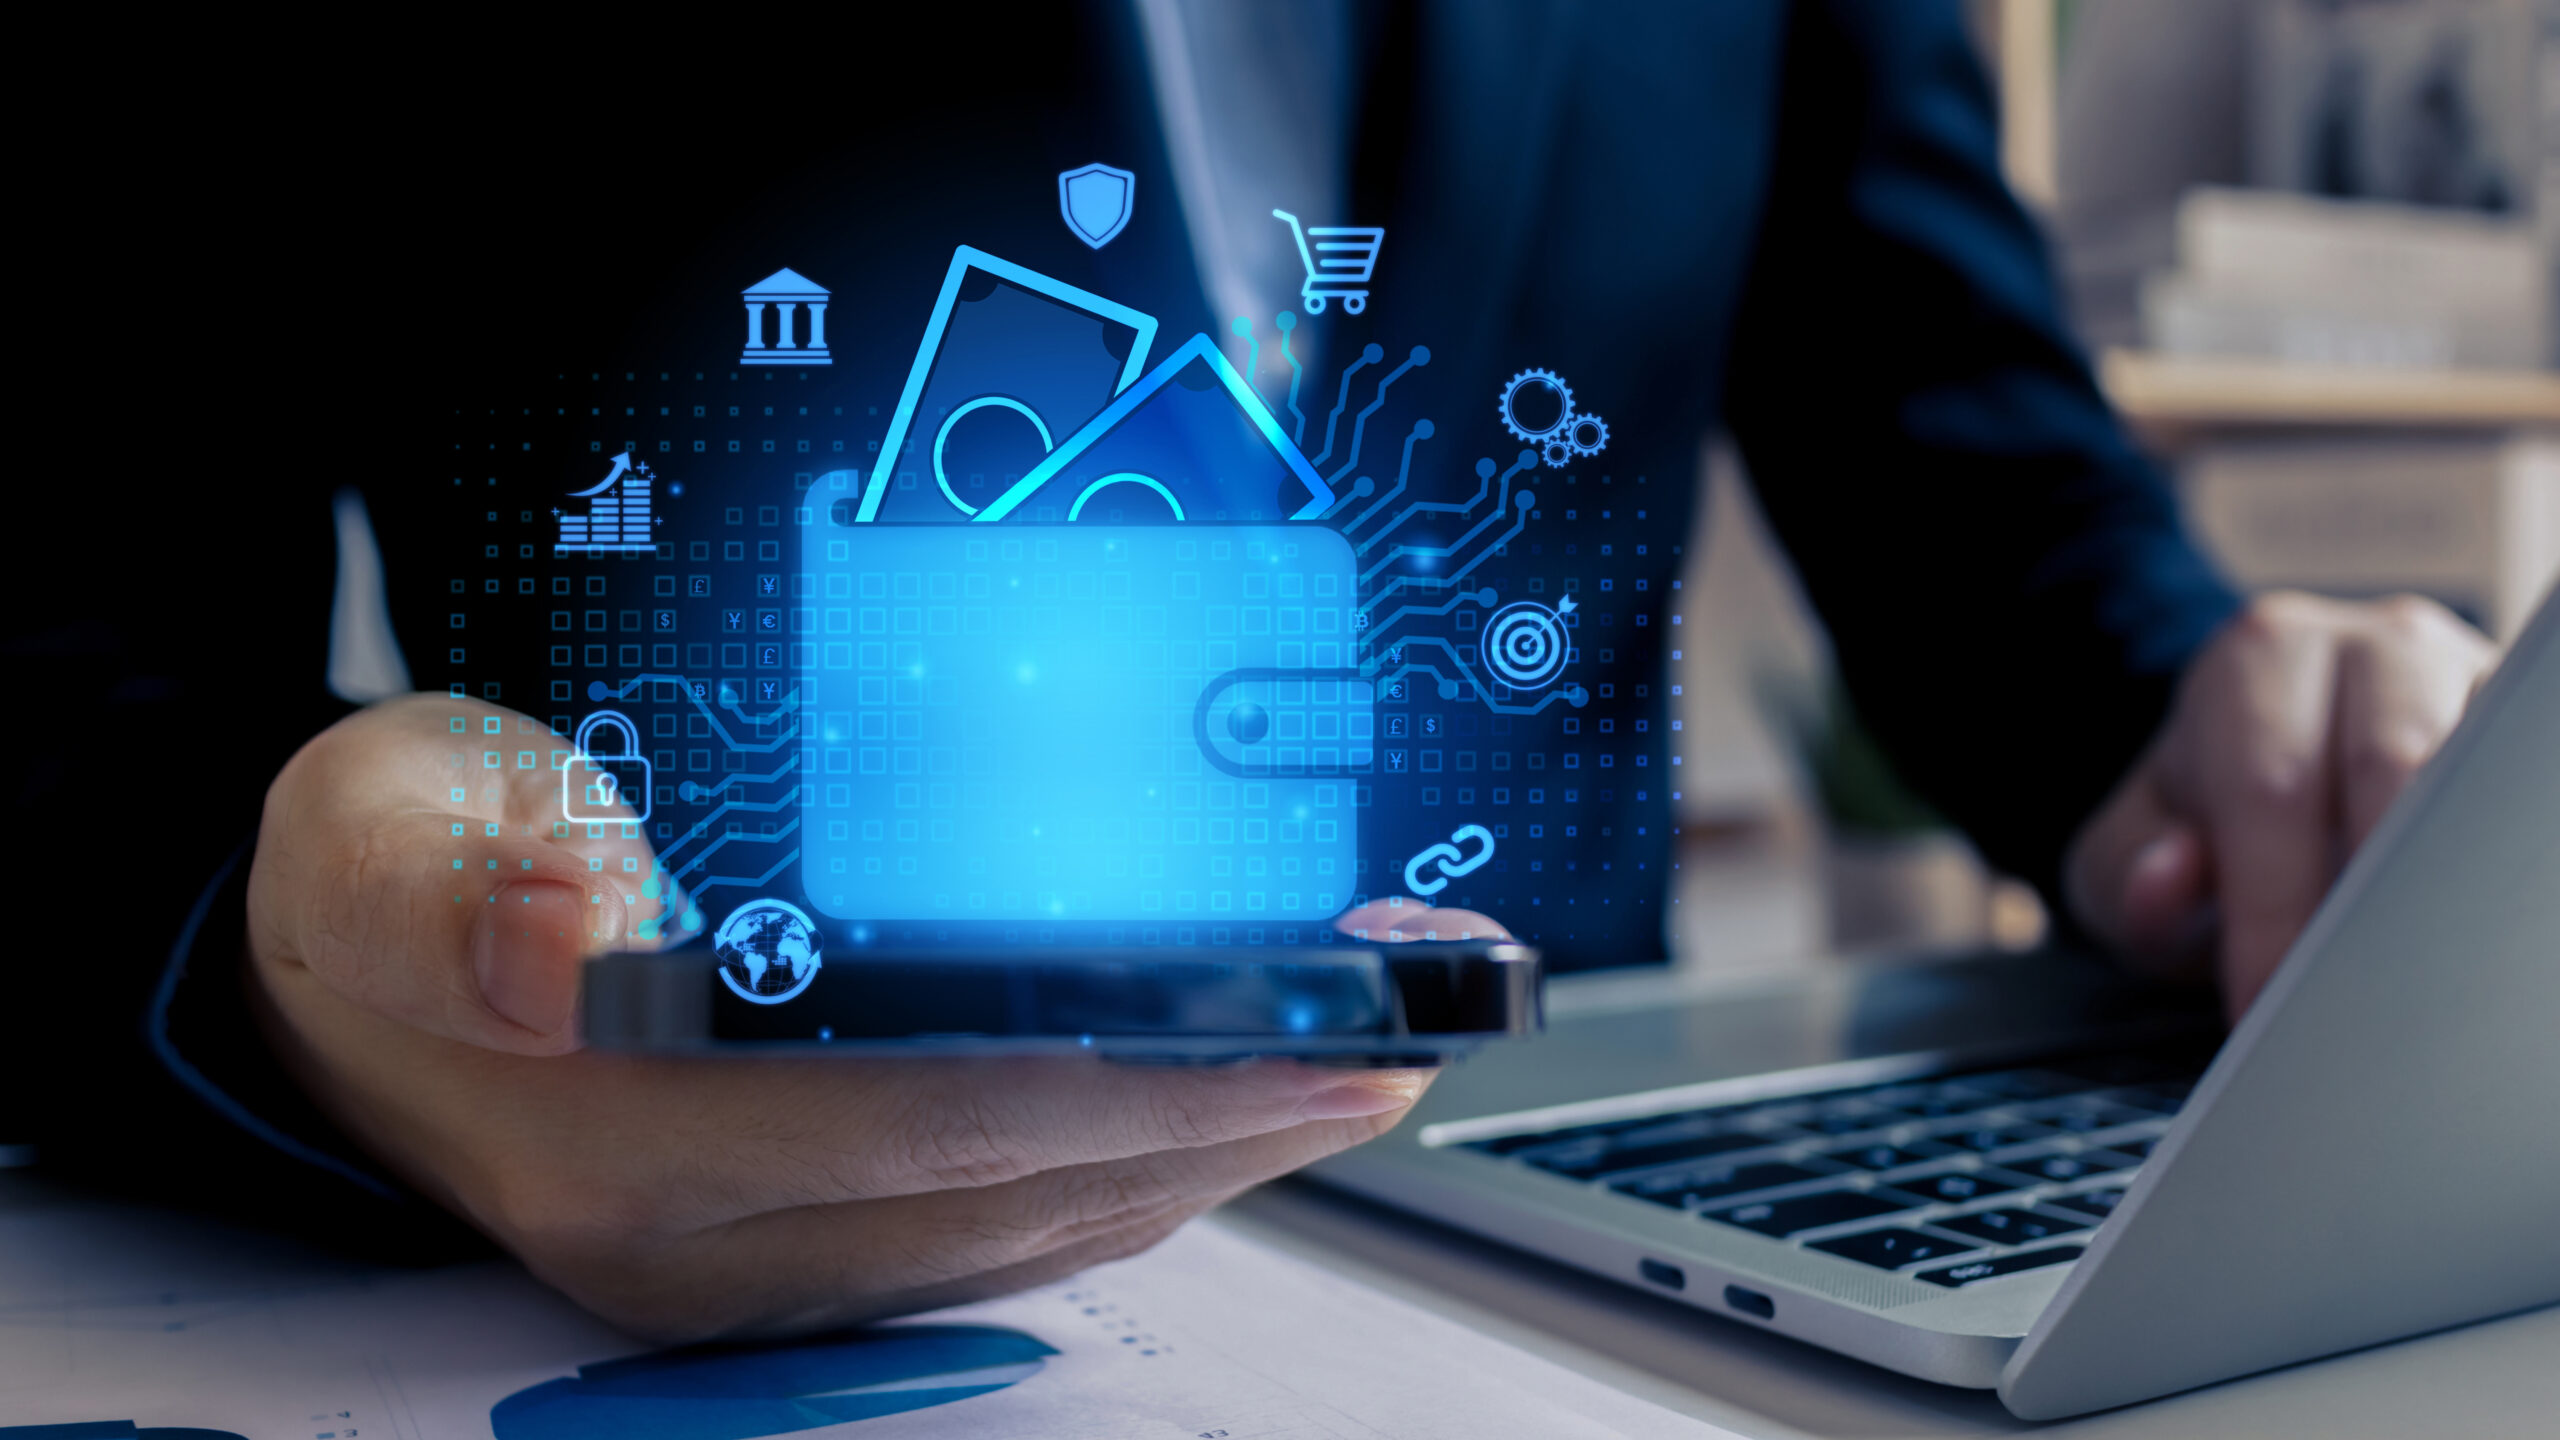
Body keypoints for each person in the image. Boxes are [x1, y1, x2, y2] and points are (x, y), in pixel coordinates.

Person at [9, 2, 2495, 1343]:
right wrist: (300, 1003)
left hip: (1578, 1228)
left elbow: (1973, 475)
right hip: (603, 1261)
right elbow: (59, 666)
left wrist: (2207, 729)